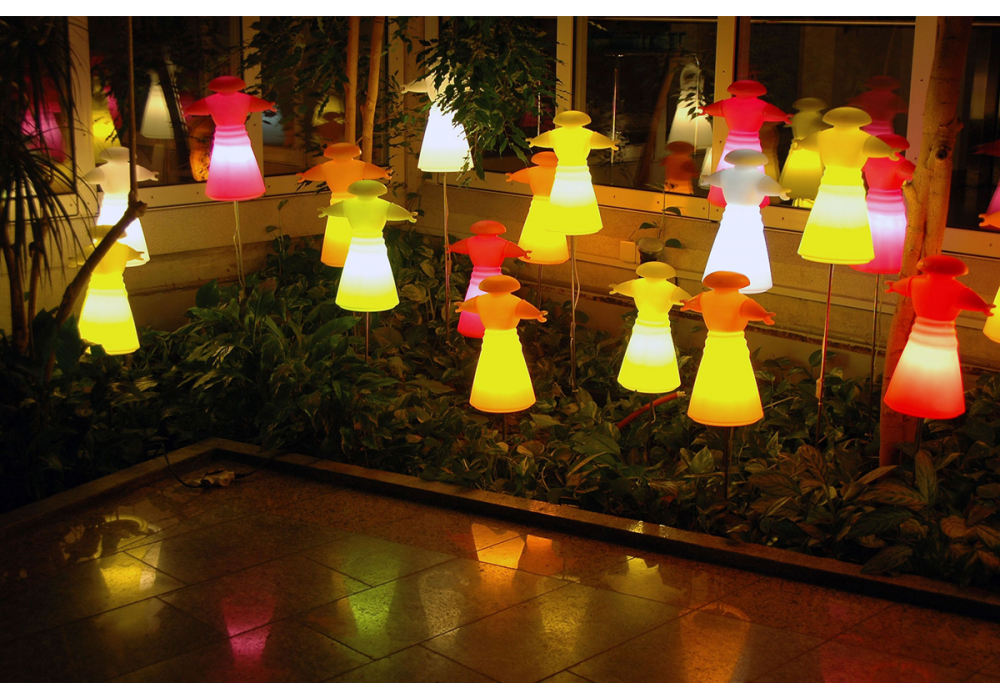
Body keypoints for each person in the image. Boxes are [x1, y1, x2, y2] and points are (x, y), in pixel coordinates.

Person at [884, 255, 993, 419]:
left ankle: (923, 401)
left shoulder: (918, 282)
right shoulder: (957, 288)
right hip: (940, 339)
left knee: (916, 374)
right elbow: (969, 299)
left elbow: (905, 285)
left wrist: (893, 286)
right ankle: (924, 401)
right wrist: (983, 307)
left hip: (921, 337)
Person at [683, 271, 775, 426]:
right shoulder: (740, 300)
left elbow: (695, 303)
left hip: (716, 345)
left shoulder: (706, 297)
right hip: (730, 346)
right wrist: (764, 315)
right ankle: (726, 411)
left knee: (716, 375)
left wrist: (687, 303)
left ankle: (720, 411)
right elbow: (752, 310)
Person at [319, 180, 416, 312]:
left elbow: (338, 209)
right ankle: (367, 299)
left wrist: (326, 211)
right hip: (372, 248)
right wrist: (408, 215)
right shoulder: (381, 205)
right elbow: (394, 211)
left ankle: (365, 299)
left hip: (360, 248)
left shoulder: (350, 205)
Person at [701, 150, 789, 294]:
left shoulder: (734, 175)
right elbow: (715, 179)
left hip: (741, 217)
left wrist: (780, 192)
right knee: (731, 244)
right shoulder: (749, 177)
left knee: (738, 243)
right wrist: (780, 192)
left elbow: (715, 179)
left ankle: (739, 282)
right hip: (738, 217)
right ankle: (728, 281)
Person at [455, 275, 546, 413]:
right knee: (500, 365)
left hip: (495, 340)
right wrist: (537, 314)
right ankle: (504, 399)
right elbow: (524, 309)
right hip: (502, 340)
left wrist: (462, 306)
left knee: (495, 364)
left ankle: (497, 399)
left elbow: (472, 305)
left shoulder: (483, 300)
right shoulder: (512, 301)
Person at [298, 143, 392, 267]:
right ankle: (340, 257)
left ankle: (340, 256)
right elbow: (368, 170)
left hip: (345, 204)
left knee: (347, 229)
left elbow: (368, 170)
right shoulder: (351, 166)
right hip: (345, 204)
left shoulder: (331, 167)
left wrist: (383, 173)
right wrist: (383, 173)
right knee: (348, 229)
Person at [700, 80, 790, 208]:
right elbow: (772, 113)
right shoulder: (760, 106)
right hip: (749, 144)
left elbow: (715, 109)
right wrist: (784, 117)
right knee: (743, 171)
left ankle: (726, 196)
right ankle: (728, 196)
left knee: (737, 170)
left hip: (734, 144)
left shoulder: (728, 104)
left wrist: (705, 110)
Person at [527, 110, 617, 235]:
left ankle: (576, 223)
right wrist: (610, 143)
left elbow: (545, 139)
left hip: (571, 176)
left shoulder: (572, 134)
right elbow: (545, 139)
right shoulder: (568, 134)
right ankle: (569, 223)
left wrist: (610, 143)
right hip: (571, 176)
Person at [185, 76, 274, 201]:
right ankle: (235, 189)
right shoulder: (242, 99)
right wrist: (268, 105)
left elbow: (200, 107)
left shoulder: (214, 100)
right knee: (236, 173)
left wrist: (189, 110)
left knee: (233, 173)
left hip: (228, 142)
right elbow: (255, 103)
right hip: (235, 142)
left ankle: (236, 190)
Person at [610, 262, 689, 394]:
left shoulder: (638, 285)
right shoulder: (669, 289)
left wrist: (617, 288)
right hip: (659, 332)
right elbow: (685, 298)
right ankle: (650, 382)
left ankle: (645, 381)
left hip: (644, 330)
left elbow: (626, 287)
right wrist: (691, 303)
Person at [450, 221, 528, 339]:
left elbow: (462, 246)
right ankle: (477, 327)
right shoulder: (499, 243)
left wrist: (451, 248)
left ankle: (474, 326)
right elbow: (511, 249)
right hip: (488, 278)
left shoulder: (473, 242)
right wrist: (523, 253)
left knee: (484, 300)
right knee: (486, 300)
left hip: (482, 279)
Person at [505, 152, 566, 264]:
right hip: (549, 206)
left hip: (543, 206)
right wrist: (513, 176)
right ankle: (548, 253)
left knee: (544, 230)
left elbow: (524, 175)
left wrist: (513, 177)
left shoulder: (536, 171)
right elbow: (524, 175)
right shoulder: (560, 173)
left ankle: (548, 254)